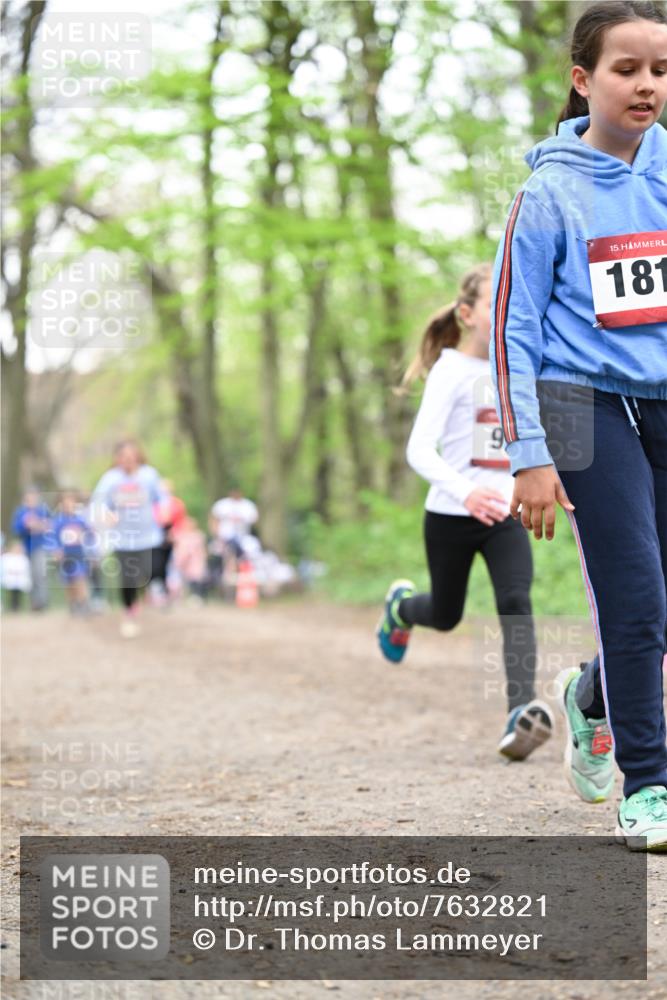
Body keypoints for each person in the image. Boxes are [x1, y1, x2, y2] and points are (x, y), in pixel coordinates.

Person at [490, 1, 667, 850]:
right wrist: (527, 454)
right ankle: (650, 784)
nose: (645, 85)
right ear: (582, 79)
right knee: (635, 596)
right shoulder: (547, 192)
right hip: (575, 400)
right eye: (625, 69)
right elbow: (511, 329)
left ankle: (589, 697)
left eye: (659, 70)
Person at [376, 263, 553, 762]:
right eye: (494, 302)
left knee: (515, 600)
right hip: (451, 516)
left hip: (505, 515)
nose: (505, 310)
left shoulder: (521, 368)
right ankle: (401, 609)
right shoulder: (450, 370)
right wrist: (466, 492)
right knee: (446, 614)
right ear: (467, 314)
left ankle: (520, 713)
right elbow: (419, 450)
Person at [91, 440, 164, 638]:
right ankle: (129, 613)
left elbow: (162, 498)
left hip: (149, 536)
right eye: (124, 457)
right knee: (128, 578)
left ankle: (139, 598)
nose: (128, 460)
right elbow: (98, 503)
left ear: (138, 456)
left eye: (131, 456)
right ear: (117, 459)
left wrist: (163, 513)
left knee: (149, 572)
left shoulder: (149, 475)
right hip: (123, 538)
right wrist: (106, 514)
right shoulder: (110, 479)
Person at [11, 488, 51, 611]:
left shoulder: (42, 511)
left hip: (39, 546)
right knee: (29, 576)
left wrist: (38, 525)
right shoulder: (21, 512)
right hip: (25, 547)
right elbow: (16, 528)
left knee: (39, 574)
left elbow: (49, 525)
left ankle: (42, 602)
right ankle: (34, 603)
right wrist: (27, 526)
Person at [52, 492, 91, 615]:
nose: (68, 505)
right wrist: (56, 549)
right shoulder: (58, 521)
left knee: (80, 577)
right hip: (64, 555)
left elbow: (89, 534)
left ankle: (83, 603)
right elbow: (53, 537)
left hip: (78, 553)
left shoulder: (80, 520)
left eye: (71, 502)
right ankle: (73, 604)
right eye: (66, 503)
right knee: (68, 581)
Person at [209, 488, 259, 571]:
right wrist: (216, 535)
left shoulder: (247, 505)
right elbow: (213, 520)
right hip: (224, 537)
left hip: (243, 537)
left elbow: (254, 520)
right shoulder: (222, 504)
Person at [1, 539, 32, 611]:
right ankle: (13, 606)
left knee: (19, 588)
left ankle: (17, 606)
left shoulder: (23, 558)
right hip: (9, 578)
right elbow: (5, 568)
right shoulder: (7, 557)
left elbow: (26, 568)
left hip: (20, 578)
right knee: (13, 588)